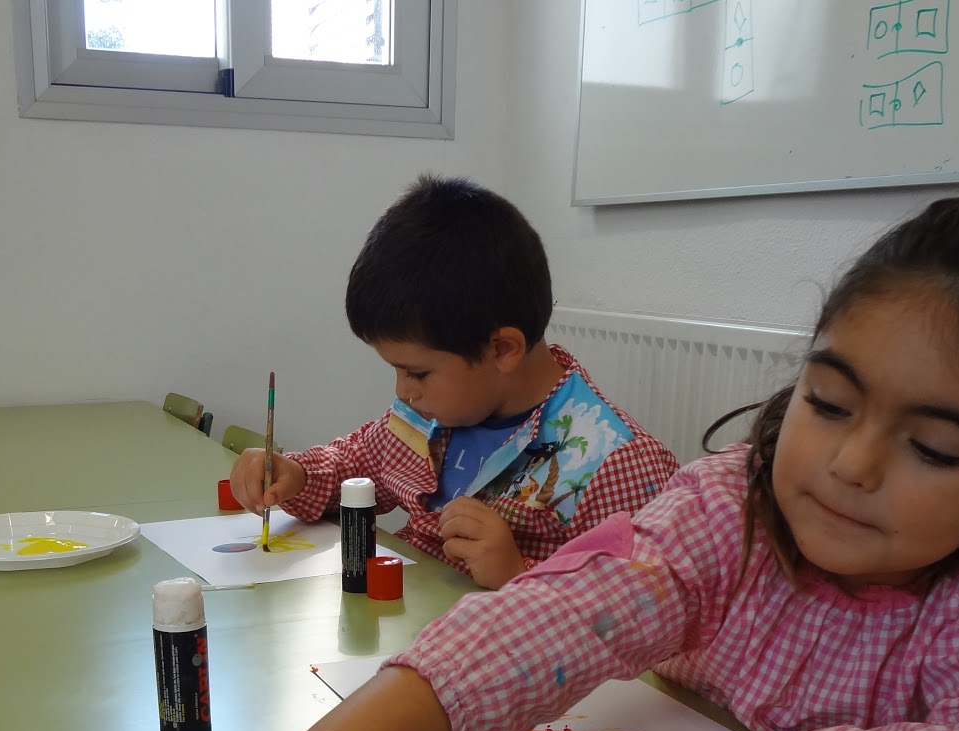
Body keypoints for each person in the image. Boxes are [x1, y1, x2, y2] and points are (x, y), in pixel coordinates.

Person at [172, 194, 959, 731]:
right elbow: (558, 616)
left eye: (934, 449)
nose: (850, 464)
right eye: (829, 403)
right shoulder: (731, 501)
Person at [228, 174, 679, 590]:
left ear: (502, 350)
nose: (403, 391)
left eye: (417, 372)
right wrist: (297, 474)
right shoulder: (433, 411)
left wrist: (517, 574)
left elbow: (642, 608)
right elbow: (354, 464)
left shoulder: (617, 463)